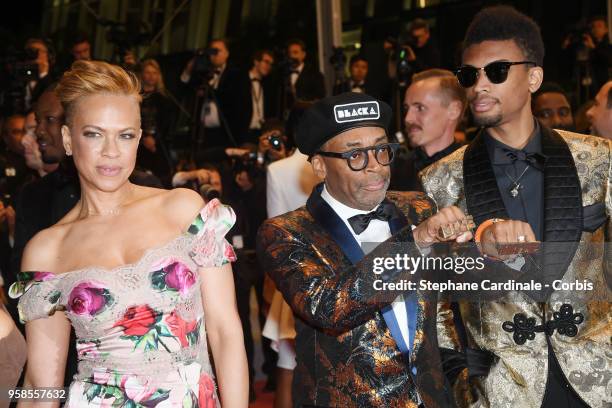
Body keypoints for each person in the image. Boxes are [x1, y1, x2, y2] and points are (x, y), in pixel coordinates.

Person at [10, 60, 248, 407]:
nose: (111, 151)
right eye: (94, 134)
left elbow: (226, 333)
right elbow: (42, 385)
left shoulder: (182, 210)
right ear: (67, 139)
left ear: (138, 138)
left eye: (125, 135)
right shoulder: (47, 249)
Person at [420, 6, 612, 407]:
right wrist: (460, 376)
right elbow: (435, 300)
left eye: (498, 71)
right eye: (470, 75)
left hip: (598, 381)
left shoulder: (597, 159)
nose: (480, 86)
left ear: (534, 77)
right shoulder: (440, 180)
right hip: (502, 390)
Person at [257, 92, 473, 407]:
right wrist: (413, 242)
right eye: (356, 155)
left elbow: (440, 313)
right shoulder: (285, 233)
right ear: (320, 165)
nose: (376, 167)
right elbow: (328, 308)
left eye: (381, 150)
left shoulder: (417, 208)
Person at [390, 69, 466, 191]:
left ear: (454, 110)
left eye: (420, 108)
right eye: (406, 109)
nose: (408, 119)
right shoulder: (394, 170)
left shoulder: (472, 167)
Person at [180, 39, 250, 149]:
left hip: (225, 131)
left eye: (218, 51)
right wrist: (189, 70)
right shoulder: (203, 72)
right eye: (212, 51)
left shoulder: (237, 74)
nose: (215, 55)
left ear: (227, 54)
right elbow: (185, 90)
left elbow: (238, 102)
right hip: (202, 132)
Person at [138, 58, 174, 185]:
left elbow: (167, 124)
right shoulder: (136, 97)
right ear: (142, 74)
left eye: (154, 73)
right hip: (139, 144)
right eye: (148, 72)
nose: (151, 76)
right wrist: (144, 139)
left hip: (159, 145)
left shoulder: (164, 98)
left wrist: (155, 140)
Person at [282, 39, 326, 116]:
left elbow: (320, 97)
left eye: (295, 52)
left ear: (303, 54)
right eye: (289, 53)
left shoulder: (315, 75)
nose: (291, 56)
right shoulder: (282, 74)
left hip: (308, 117)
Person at [244, 49, 276, 144]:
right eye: (266, 62)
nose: (269, 66)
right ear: (256, 62)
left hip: (261, 133)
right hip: (244, 134)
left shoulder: (267, 85)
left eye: (271, 64)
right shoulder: (241, 81)